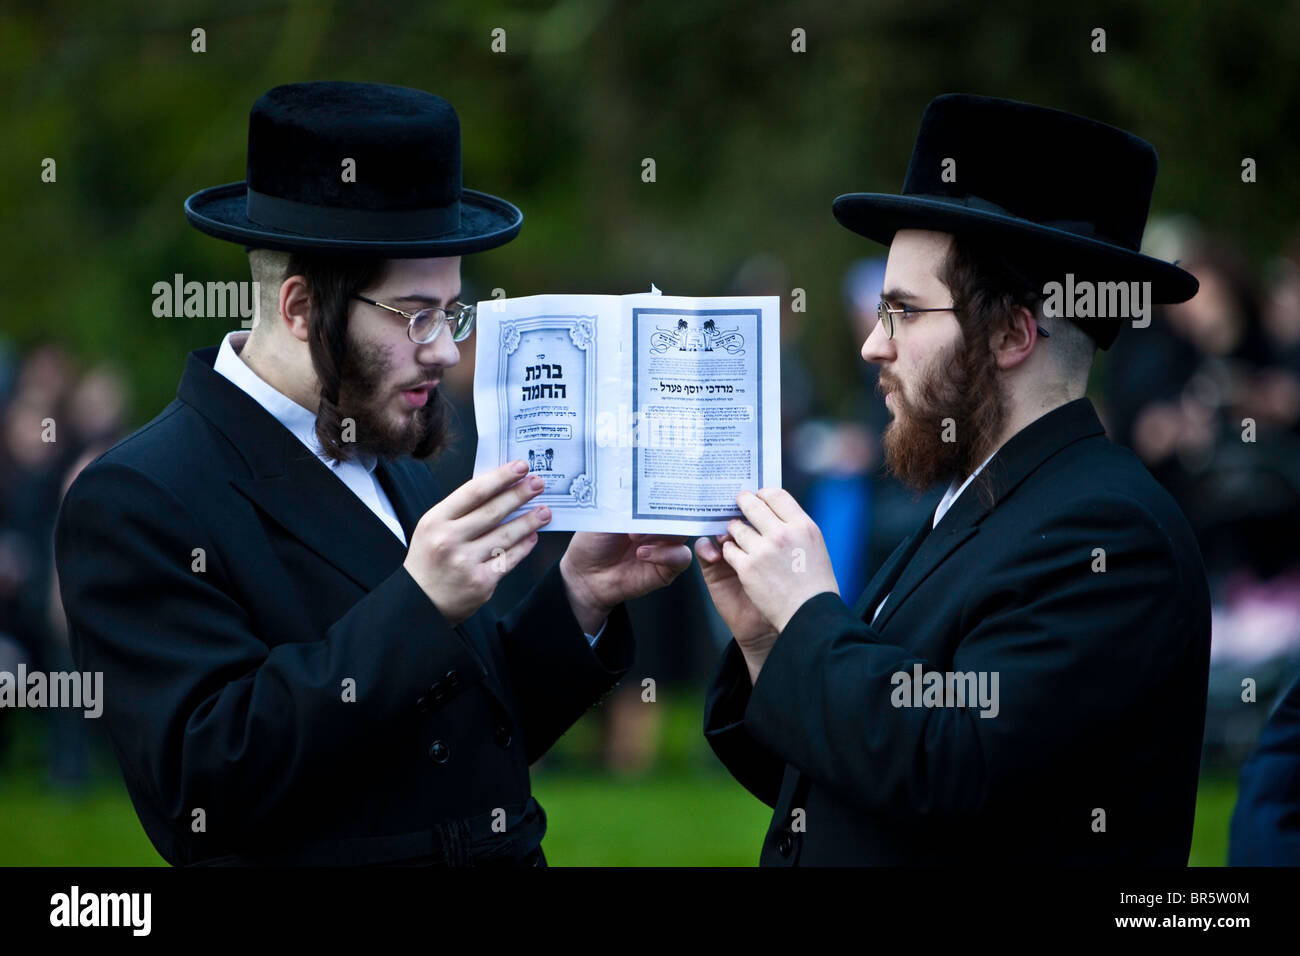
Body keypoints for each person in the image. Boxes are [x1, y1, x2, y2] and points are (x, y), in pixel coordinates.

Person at [54, 81, 692, 866]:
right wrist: (416, 606)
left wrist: (580, 599)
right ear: (298, 309)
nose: (447, 350)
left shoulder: (400, 454)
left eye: (452, 313)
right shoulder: (140, 498)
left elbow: (471, 732)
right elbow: (202, 784)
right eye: (416, 314)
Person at [696, 93, 1212, 864]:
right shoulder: (975, 501)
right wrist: (771, 640)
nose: (875, 344)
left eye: (904, 311)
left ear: (1010, 334)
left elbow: (951, 769)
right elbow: (837, 777)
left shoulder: (1108, 534)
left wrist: (809, 615)